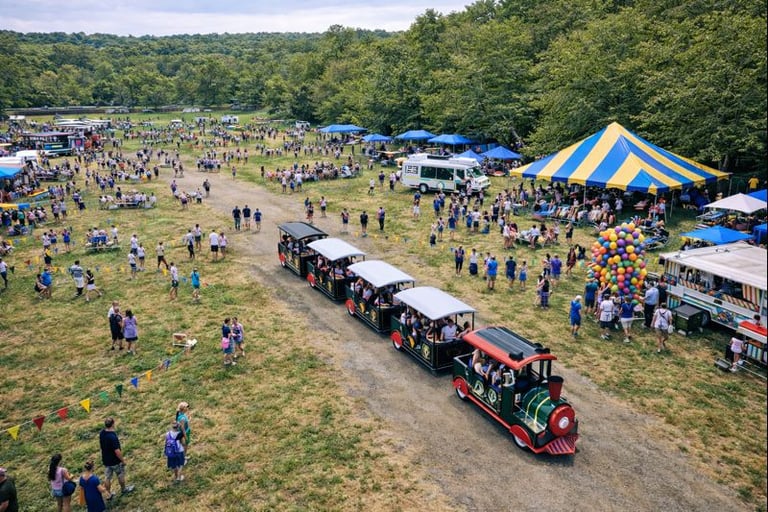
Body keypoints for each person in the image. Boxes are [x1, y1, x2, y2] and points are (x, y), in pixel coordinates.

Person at [99, 417, 135, 498]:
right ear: (113, 424)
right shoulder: (112, 437)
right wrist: (122, 460)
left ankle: (108, 494)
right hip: (115, 460)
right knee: (120, 474)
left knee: (107, 477)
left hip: (106, 459)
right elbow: (117, 451)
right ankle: (124, 489)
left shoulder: (102, 433)